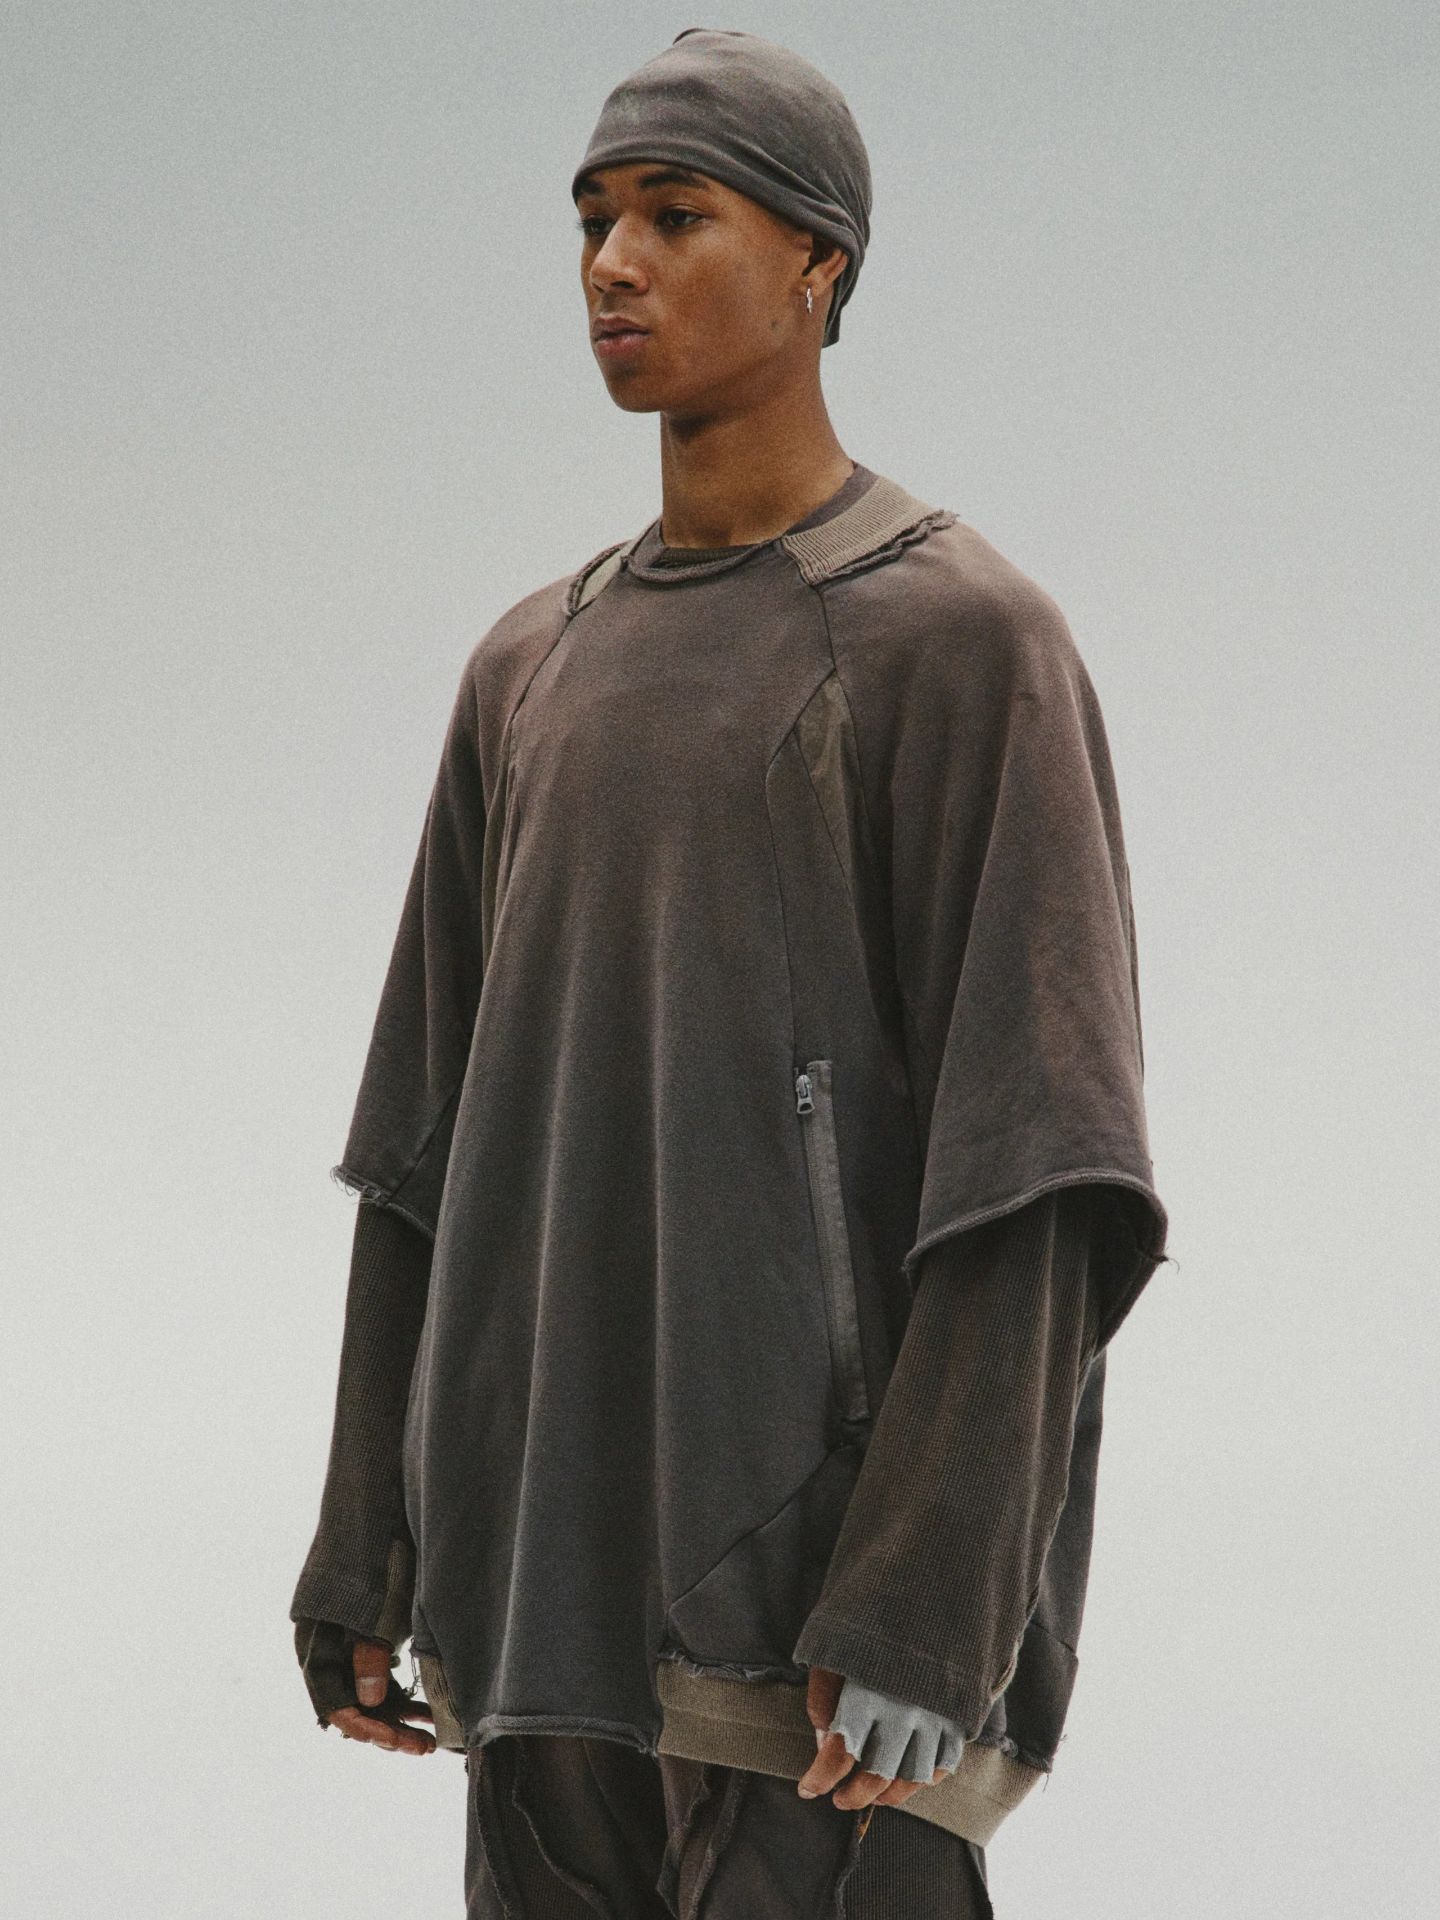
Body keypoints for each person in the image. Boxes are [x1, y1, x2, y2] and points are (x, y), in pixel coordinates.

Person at [289, 28, 1168, 1918]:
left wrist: (928, 1604)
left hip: (816, 1674)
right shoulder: (528, 666)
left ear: (819, 263)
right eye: (593, 219)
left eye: (677, 215)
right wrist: (369, 1534)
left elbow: (1041, 1170)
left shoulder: (963, 645)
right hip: (533, 1633)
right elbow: (420, 1146)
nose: (614, 264)